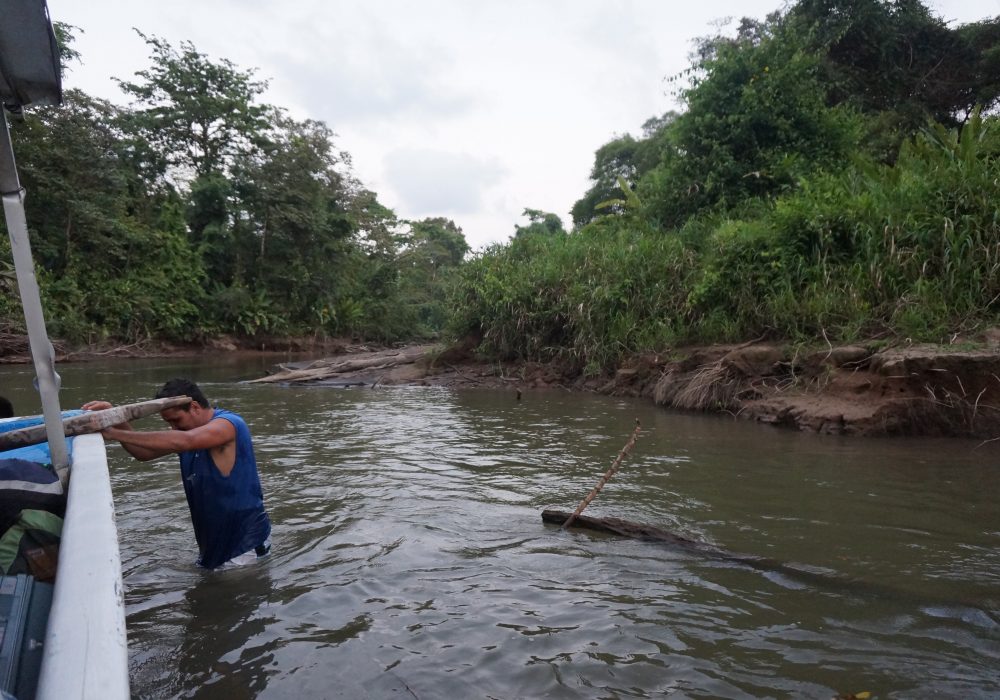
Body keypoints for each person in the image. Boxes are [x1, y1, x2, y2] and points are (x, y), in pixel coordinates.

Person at [83, 378, 271, 570]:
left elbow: (185, 441)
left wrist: (114, 434)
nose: (173, 427)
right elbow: (143, 453)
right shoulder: (187, 434)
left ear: (195, 407)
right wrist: (115, 417)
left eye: (176, 420)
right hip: (213, 541)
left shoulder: (229, 425)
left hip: (243, 543)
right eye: (168, 422)